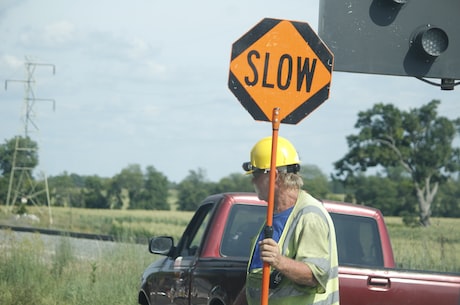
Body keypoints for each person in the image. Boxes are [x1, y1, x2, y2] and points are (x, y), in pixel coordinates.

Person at [233, 136, 340, 305]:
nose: (252, 180)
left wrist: (279, 261)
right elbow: (258, 279)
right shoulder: (273, 215)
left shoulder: (309, 216)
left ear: (274, 175)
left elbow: (315, 275)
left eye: (256, 174)